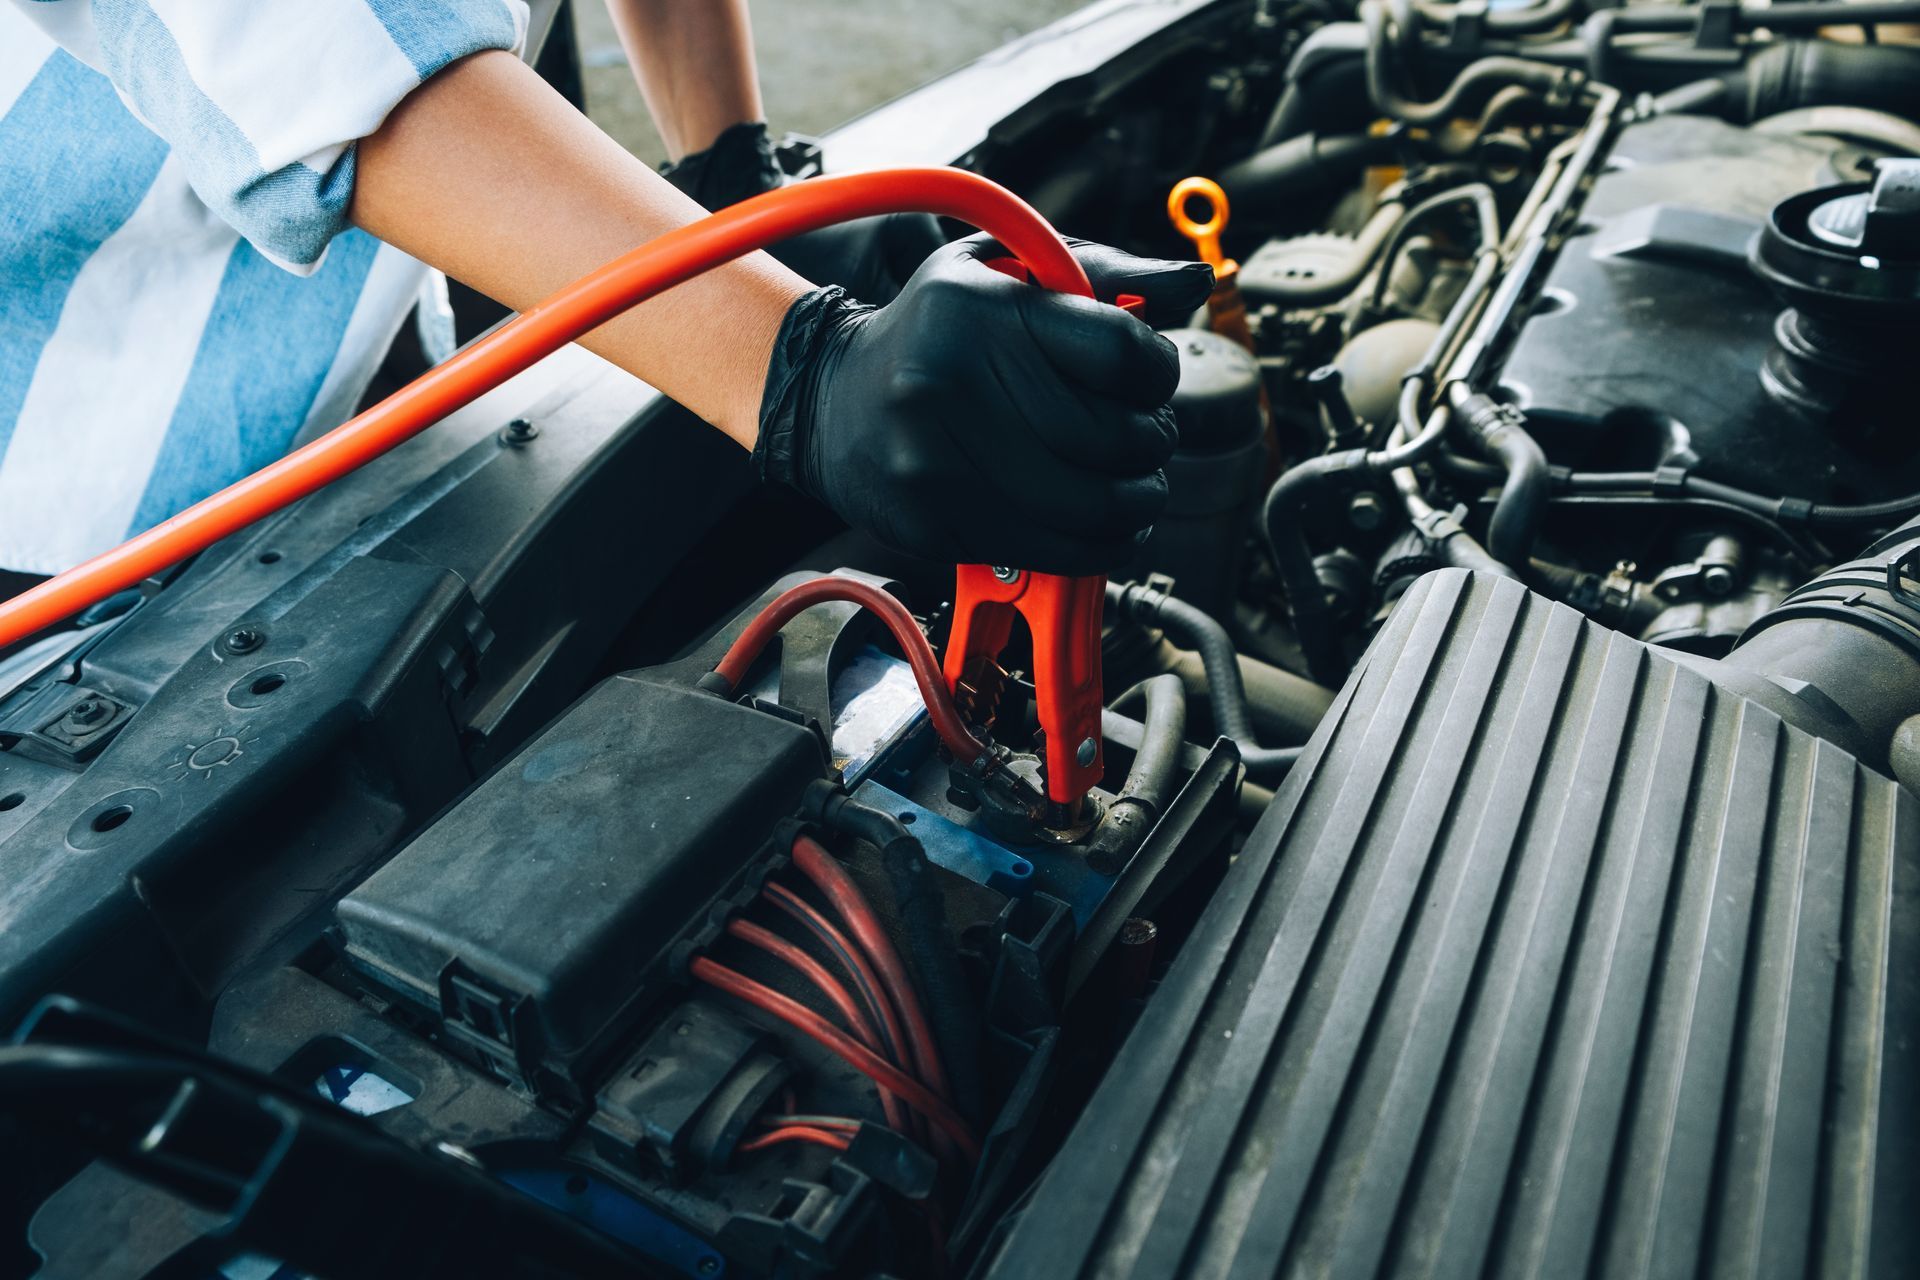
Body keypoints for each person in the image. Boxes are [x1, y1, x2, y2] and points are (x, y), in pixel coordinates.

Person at [0, 1, 1211, 610]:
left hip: (359, 346)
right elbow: (313, 39)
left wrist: (733, 173)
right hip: (75, 504)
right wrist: (801, 370)